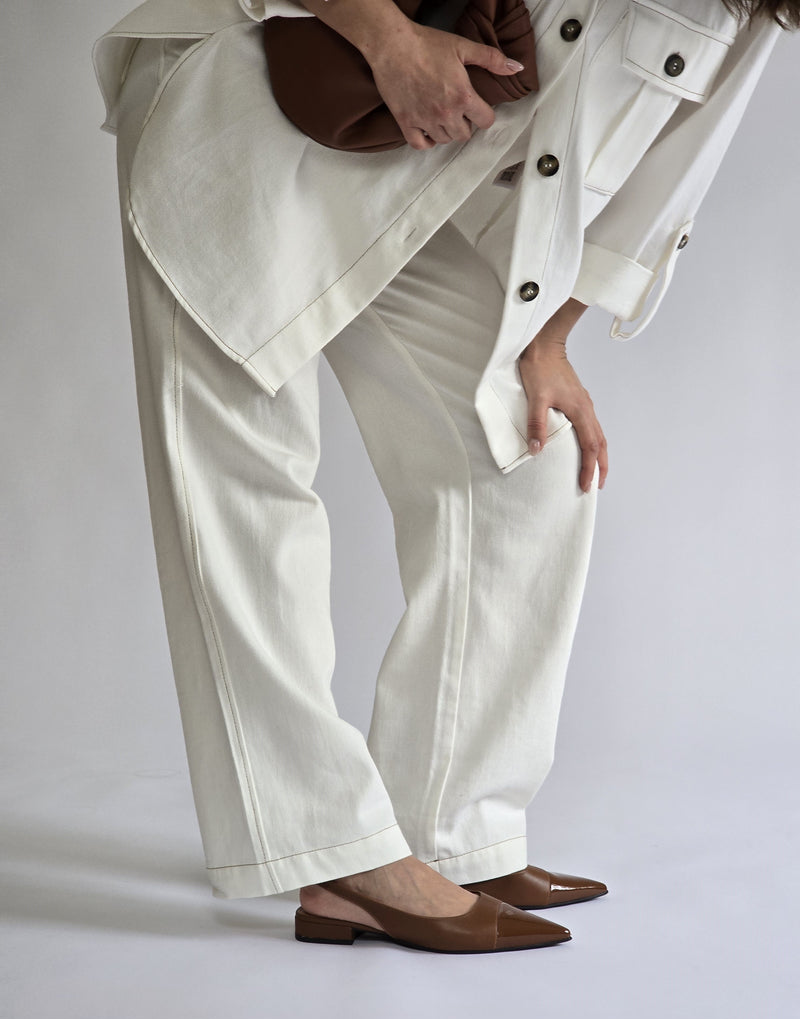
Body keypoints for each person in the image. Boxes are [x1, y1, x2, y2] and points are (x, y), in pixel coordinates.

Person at [93, 0, 795, 954]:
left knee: (523, 458)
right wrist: (389, 39)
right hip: (244, 95)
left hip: (412, 173)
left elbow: (672, 173)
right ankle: (338, 854)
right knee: (247, 486)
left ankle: (450, 831)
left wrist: (548, 342)